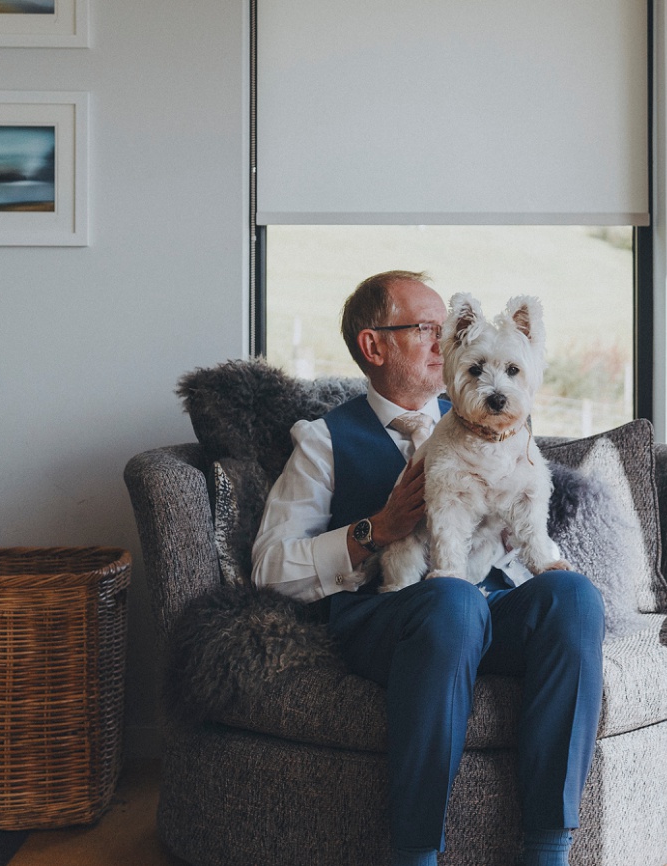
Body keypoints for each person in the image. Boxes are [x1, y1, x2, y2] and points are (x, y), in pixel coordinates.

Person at [251, 270, 605, 866]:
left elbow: (525, 517)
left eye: (448, 329)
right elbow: (268, 567)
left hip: (487, 606)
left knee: (573, 597)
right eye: (427, 329)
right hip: (391, 619)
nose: (448, 341)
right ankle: (415, 854)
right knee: (451, 602)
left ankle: (548, 849)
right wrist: (375, 531)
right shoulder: (323, 440)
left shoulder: (494, 413)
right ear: (374, 345)